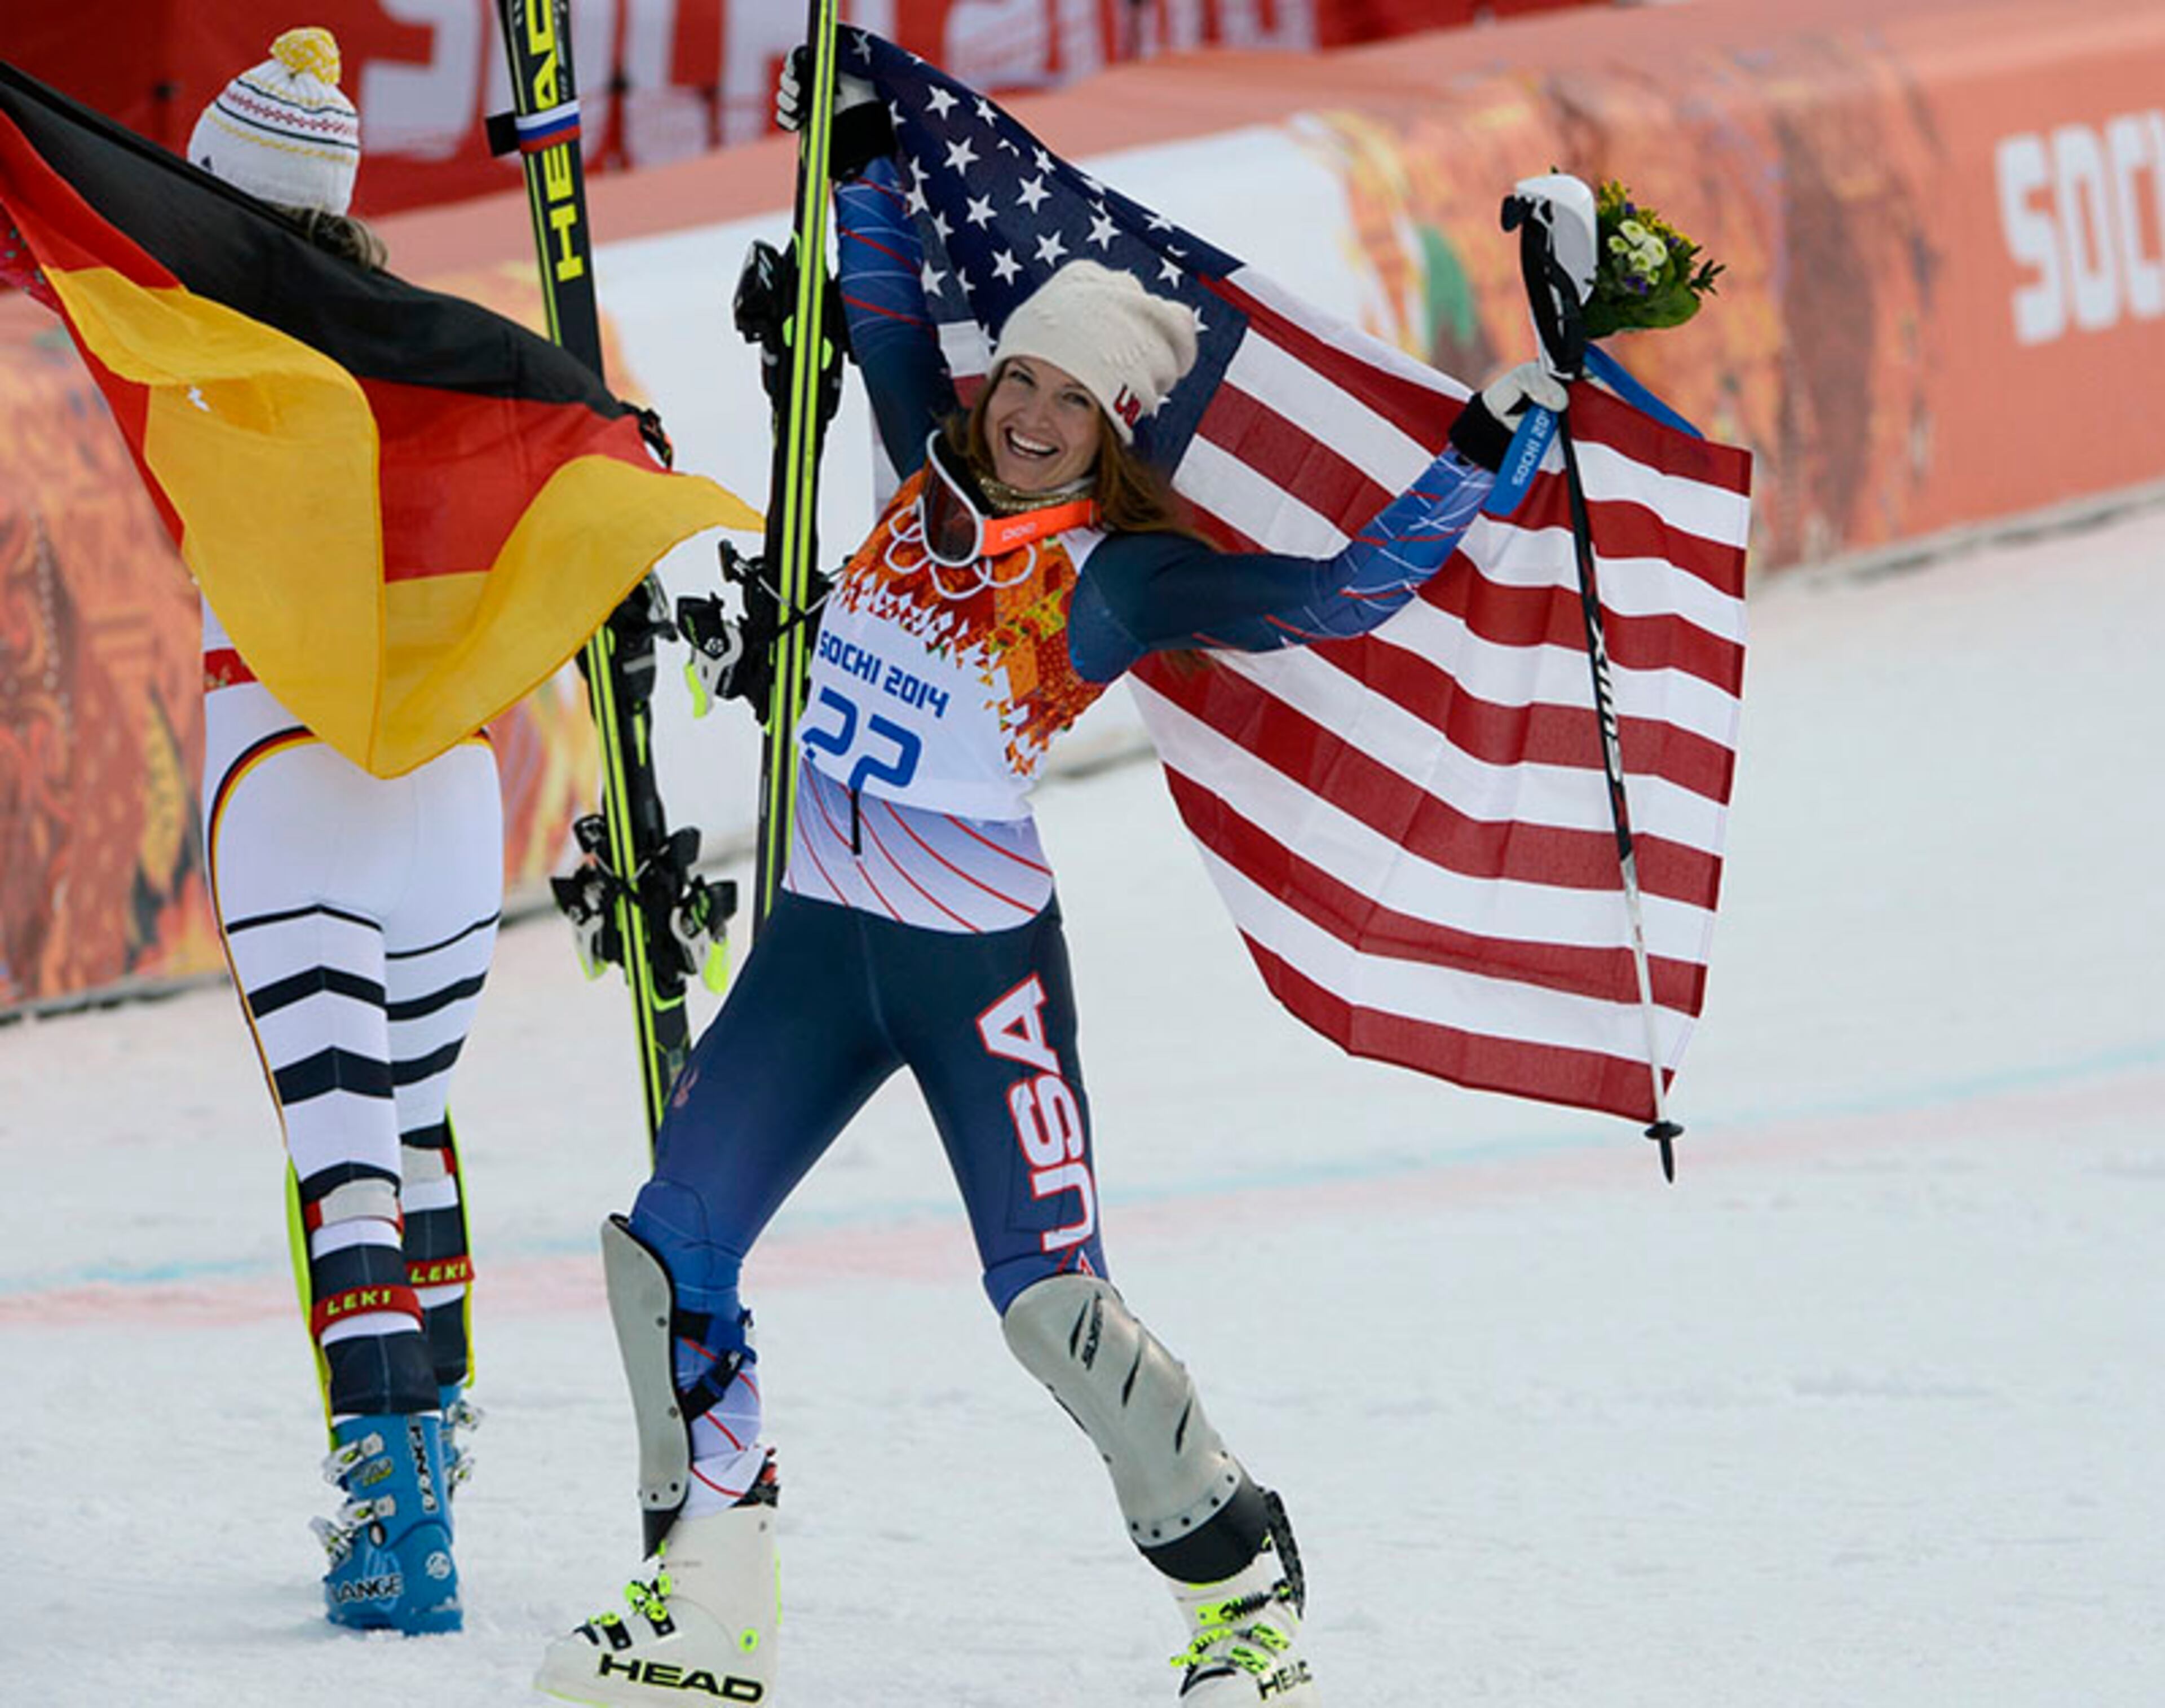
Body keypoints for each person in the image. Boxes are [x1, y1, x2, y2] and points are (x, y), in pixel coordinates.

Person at [536, 54, 1566, 1707]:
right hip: (819, 942)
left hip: (975, 969)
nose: (1028, 414)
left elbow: (1345, 594)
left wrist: (1482, 453)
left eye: (1067, 402)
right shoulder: (913, 474)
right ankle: (709, 1605)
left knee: (1052, 1313)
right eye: (1021, 382)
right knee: (668, 1255)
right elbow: (874, 293)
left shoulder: (1117, 576)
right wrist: (853, 142)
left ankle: (1243, 1594)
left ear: (1111, 427)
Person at [190, 29, 492, 1635]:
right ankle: (436, 1466)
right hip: (447, 794)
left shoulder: (184, 340)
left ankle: (398, 1531)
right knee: (420, 1137)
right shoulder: (433, 345)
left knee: (343, 1168)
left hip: (285, 779)